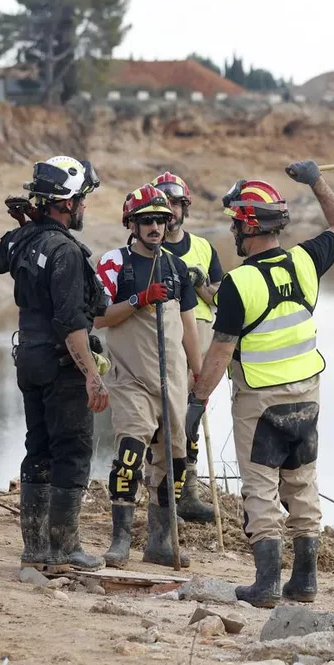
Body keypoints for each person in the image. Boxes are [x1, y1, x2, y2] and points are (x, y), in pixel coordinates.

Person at [185, 161, 334, 607]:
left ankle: (264, 586)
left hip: (260, 401)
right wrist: (316, 181)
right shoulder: (305, 261)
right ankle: (304, 582)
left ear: (248, 226)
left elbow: (220, 352)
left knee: (260, 486)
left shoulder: (241, 283)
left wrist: (197, 401)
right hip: (307, 396)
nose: (233, 235)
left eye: (235, 225)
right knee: (301, 482)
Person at [0, 156, 108, 573]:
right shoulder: (65, 252)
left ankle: (35, 549)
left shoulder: (25, 240)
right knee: (71, 452)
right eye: (82, 200)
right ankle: (63, 549)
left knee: (37, 449)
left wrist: (25, 222)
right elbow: (71, 324)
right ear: (66, 203)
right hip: (61, 364)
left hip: (30, 362)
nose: (84, 208)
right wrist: (92, 375)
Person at [94, 184, 204, 569]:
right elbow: (96, 316)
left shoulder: (176, 267)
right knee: (129, 455)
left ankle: (160, 542)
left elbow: (188, 324)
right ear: (131, 224)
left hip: (172, 380)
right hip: (130, 379)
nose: (156, 227)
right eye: (147, 221)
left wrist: (199, 372)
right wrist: (139, 299)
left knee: (172, 463)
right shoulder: (114, 264)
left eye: (161, 219)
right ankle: (120, 540)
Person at [151, 171, 222, 524]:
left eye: (176, 203)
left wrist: (201, 283)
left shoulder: (204, 248)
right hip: (162, 335)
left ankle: (189, 493)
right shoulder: (148, 246)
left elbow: (222, 297)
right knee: (164, 417)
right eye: (164, 204)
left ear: (185, 207)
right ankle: (162, 498)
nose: (171, 211)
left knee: (193, 416)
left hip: (202, 334)